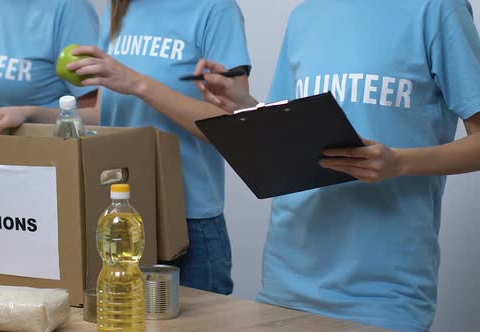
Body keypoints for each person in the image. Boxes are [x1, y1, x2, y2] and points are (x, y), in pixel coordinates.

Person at [193, 0, 480, 330]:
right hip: (285, 283)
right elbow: (293, 128)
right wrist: (244, 105)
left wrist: (400, 163)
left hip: (384, 296)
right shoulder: (304, 16)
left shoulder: (435, 8)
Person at [0, 0, 251, 295]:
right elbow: (108, 110)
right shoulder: (119, 8)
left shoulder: (216, 9)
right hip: (121, 213)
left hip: (189, 221)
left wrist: (136, 82)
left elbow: (232, 126)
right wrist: (31, 113)